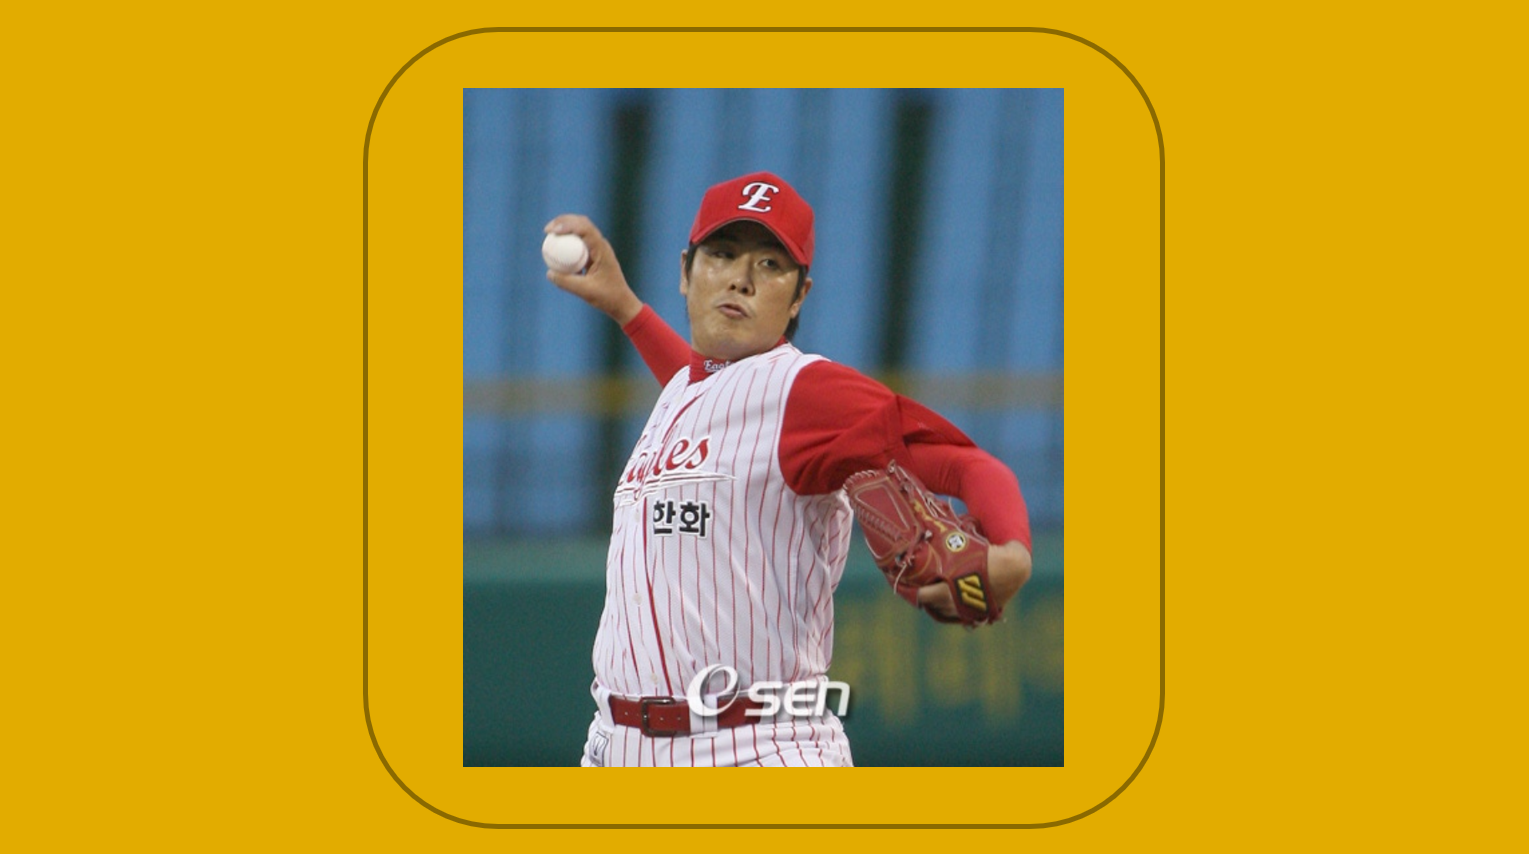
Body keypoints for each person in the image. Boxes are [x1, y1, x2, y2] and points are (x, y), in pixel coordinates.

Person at [545, 171, 1032, 767]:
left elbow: (971, 467)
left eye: (771, 264)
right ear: (685, 271)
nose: (741, 278)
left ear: (799, 296)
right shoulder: (685, 392)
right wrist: (626, 307)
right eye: (722, 254)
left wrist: (1013, 552)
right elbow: (707, 392)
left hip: (752, 748)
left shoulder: (806, 392)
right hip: (615, 746)